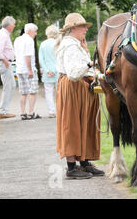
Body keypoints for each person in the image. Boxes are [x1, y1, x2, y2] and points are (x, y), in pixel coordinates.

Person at [55, 12, 104, 179]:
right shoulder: (69, 46)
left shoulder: (76, 44)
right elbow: (74, 73)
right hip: (73, 87)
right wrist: (91, 63)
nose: (85, 29)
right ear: (73, 28)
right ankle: (71, 167)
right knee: (72, 124)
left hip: (82, 87)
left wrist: (86, 54)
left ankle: (84, 163)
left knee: (85, 123)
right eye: (83, 26)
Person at [0, 16, 16, 119]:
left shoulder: (2, 33)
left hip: (4, 63)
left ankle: (2, 107)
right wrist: (5, 61)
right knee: (9, 87)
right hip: (4, 63)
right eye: (14, 24)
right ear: (10, 25)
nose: (14, 26)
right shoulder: (3, 35)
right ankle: (3, 111)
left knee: (11, 86)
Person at [14, 23, 40, 120]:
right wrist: (30, 70)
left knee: (23, 92)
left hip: (19, 69)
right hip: (28, 70)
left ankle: (22, 113)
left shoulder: (17, 39)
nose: (36, 34)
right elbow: (27, 56)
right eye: (35, 31)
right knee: (33, 92)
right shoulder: (29, 40)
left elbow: (16, 54)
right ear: (29, 31)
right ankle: (30, 113)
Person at [39, 25, 59, 118]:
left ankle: (51, 111)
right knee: (59, 92)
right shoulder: (58, 43)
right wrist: (54, 70)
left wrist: (47, 70)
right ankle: (60, 110)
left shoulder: (43, 44)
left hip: (47, 73)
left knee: (48, 93)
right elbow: (59, 58)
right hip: (57, 71)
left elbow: (41, 59)